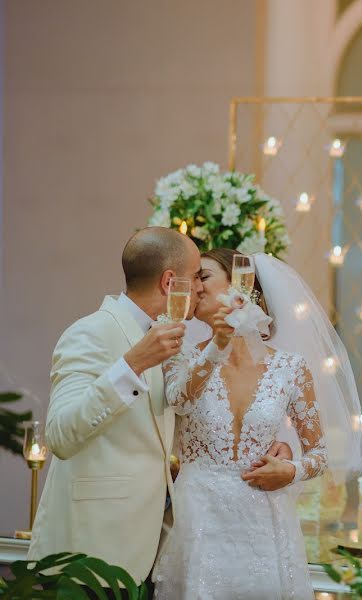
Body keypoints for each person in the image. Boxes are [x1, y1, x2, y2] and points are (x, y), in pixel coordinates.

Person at [27, 228, 294, 589]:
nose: (201, 288)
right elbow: (61, 434)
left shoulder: (176, 344)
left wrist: (275, 445)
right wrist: (131, 365)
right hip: (87, 551)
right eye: (196, 276)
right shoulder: (90, 333)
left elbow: (196, 417)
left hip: (149, 550)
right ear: (171, 283)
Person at [152, 249, 362, 599]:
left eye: (203, 277)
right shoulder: (179, 353)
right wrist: (218, 344)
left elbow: (320, 453)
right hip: (199, 518)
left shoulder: (290, 368)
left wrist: (290, 470)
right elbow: (180, 400)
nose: (196, 288)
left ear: (241, 285)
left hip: (266, 522)